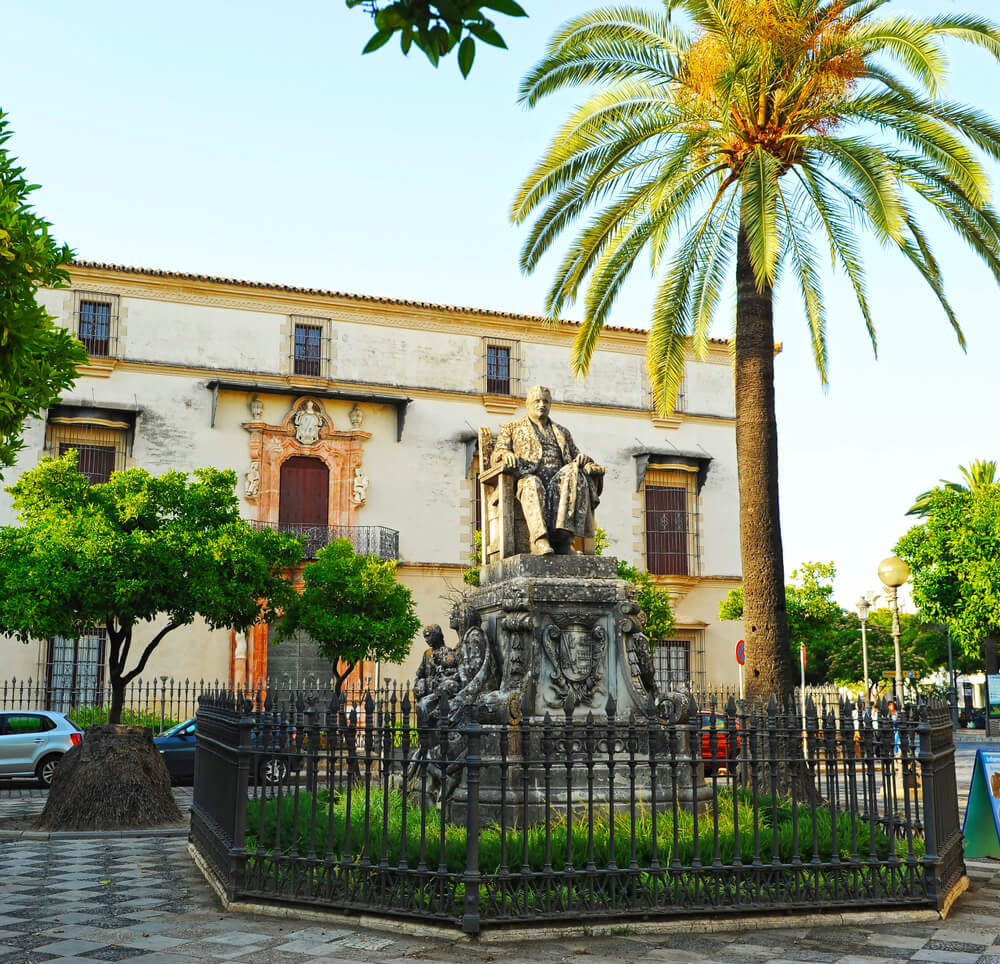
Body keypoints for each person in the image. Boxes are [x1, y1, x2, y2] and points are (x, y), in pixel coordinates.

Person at [492, 385, 604, 555]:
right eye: (537, 401)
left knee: (573, 471)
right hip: (526, 478)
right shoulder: (512, 428)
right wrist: (506, 454)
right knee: (532, 483)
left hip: (558, 481)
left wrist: (585, 461)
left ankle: (563, 541)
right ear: (528, 404)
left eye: (545, 401)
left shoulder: (562, 431)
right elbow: (497, 454)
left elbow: (577, 455)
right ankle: (540, 540)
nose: (541, 405)